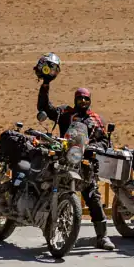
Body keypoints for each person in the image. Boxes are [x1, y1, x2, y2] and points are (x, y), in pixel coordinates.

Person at [37, 66, 113, 244]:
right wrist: (45, 84)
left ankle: (102, 236)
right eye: (80, 98)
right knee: (47, 187)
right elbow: (45, 108)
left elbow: (105, 141)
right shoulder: (65, 114)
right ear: (75, 99)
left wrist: (93, 147)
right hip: (63, 159)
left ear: (90, 100)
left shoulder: (95, 119)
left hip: (84, 162)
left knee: (93, 195)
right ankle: (47, 223)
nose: (83, 101)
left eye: (86, 98)